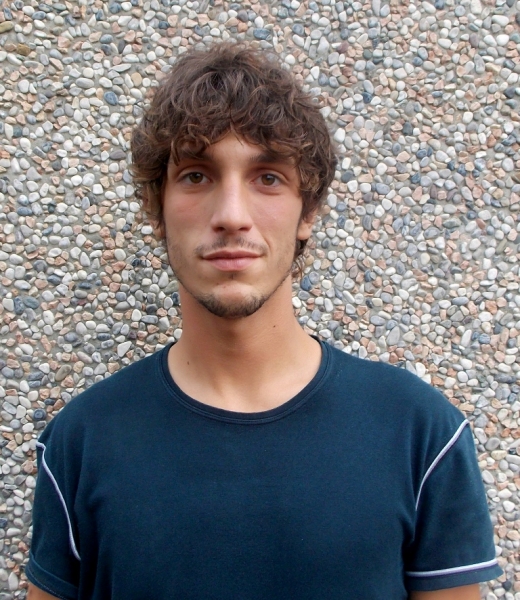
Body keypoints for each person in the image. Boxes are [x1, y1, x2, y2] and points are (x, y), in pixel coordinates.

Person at [27, 42, 501, 600]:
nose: (232, 215)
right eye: (197, 175)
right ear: (157, 209)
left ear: (309, 211)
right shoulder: (81, 442)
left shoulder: (421, 434)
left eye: (268, 177)